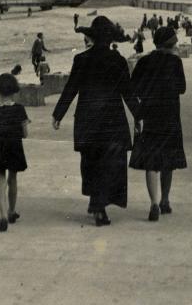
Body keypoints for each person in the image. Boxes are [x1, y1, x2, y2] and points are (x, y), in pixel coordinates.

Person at [52, 16, 136, 227]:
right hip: (112, 119)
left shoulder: (81, 59)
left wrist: (58, 114)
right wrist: (139, 115)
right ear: (109, 38)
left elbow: (71, 88)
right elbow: (128, 92)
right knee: (110, 163)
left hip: (88, 118)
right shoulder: (118, 60)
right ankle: (99, 206)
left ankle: (95, 201)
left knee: (91, 161)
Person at [129, 26, 187, 222]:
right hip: (170, 114)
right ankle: (165, 200)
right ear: (171, 43)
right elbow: (182, 88)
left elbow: (133, 87)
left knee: (151, 160)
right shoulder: (175, 62)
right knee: (168, 159)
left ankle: (153, 202)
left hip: (149, 113)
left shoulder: (144, 61)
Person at [0, 73, 30, 232]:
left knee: (0, 182)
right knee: (13, 179)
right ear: (14, 90)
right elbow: (25, 133)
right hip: (14, 146)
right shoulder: (19, 109)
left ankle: (2, 216)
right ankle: (11, 211)